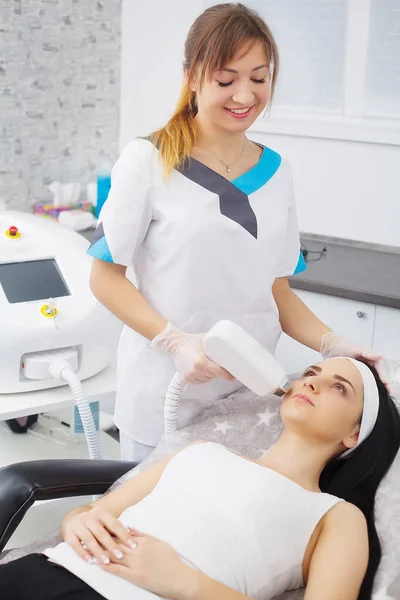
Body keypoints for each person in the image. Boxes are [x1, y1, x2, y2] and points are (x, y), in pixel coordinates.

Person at [87, 3, 385, 462]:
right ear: (192, 76)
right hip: (164, 392)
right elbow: (104, 278)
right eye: (226, 80)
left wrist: (337, 344)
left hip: (249, 400)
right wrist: (174, 341)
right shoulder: (148, 160)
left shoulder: (277, 171)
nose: (244, 95)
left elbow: (276, 292)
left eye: (259, 78)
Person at [0, 358, 399, 600]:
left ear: (353, 434)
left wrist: (182, 581)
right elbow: (92, 512)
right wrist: (76, 520)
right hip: (45, 570)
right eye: (311, 372)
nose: (310, 381)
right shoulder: (200, 452)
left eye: (338, 388)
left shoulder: (335, 516)